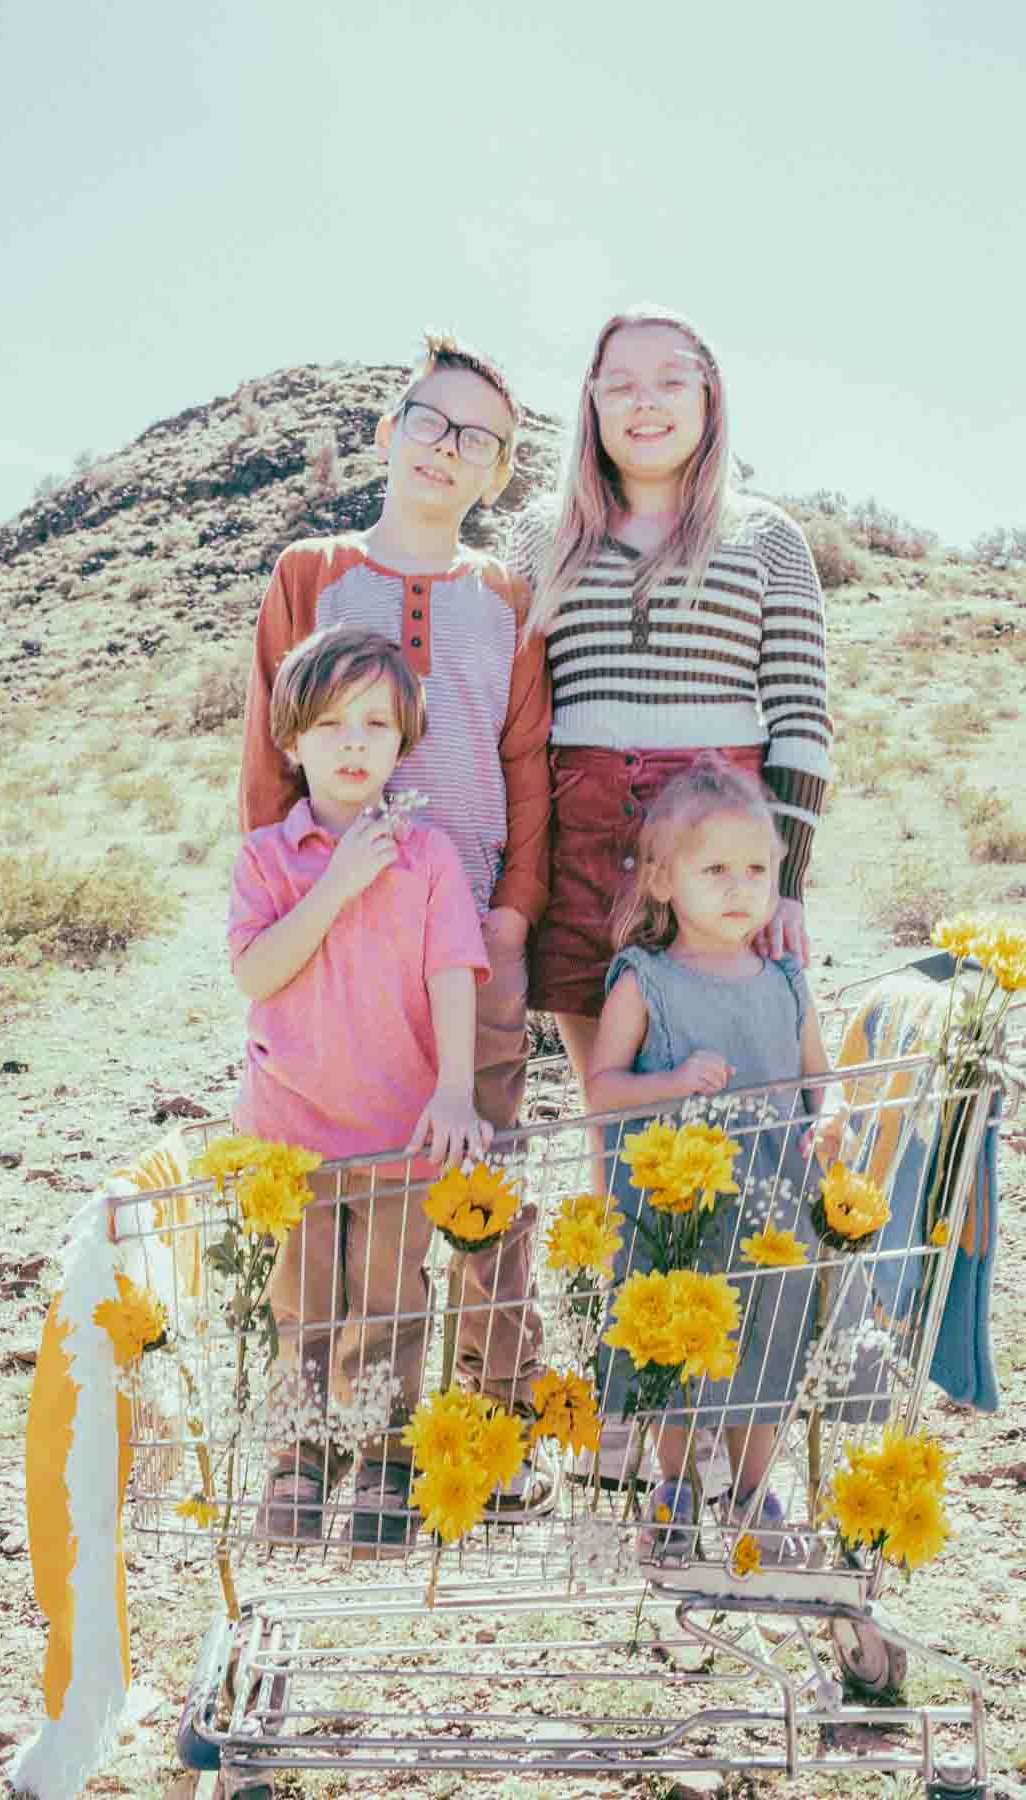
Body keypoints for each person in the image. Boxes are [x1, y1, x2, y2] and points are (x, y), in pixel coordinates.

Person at [238, 332, 553, 1506]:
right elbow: (269, 761)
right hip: (334, 941)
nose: (447, 448)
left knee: (478, 1187)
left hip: (471, 939)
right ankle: (321, 1444)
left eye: (479, 439)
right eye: (431, 419)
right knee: (331, 1198)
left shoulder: (505, 598)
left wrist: (514, 914)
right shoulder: (310, 574)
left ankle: (484, 1442)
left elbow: (530, 763)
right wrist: (291, 902)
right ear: (389, 431)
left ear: (497, 474)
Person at [510, 305, 833, 1109]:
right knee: (613, 1106)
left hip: (725, 848)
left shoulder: (766, 536)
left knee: (749, 1093)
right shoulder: (538, 538)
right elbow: (511, 720)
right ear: (591, 403)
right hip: (582, 843)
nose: (644, 403)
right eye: (619, 386)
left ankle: (772, 1235)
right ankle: (617, 1243)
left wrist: (786, 880)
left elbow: (801, 716)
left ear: (708, 397)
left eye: (668, 382)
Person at [229, 626, 494, 1556]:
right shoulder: (267, 858)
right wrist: (335, 884)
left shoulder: (429, 859)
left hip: (397, 1131)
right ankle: (300, 1460)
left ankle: (385, 1458)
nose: (353, 743)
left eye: (375, 724)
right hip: (290, 1132)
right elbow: (259, 973)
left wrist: (456, 1092)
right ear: (291, 742)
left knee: (389, 1300)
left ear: (403, 741)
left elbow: (454, 973)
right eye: (331, 724)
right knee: (301, 1303)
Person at [587, 758, 841, 1563]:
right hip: (677, 1214)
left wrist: (829, 1125)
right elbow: (602, 1088)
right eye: (716, 869)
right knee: (677, 1350)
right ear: (662, 879)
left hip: (775, 1209)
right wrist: (670, 1080)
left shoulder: (786, 981)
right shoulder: (647, 981)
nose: (741, 888)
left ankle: (751, 1488)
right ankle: (677, 1488)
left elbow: (815, 1078)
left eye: (758, 870)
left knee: (767, 1345)